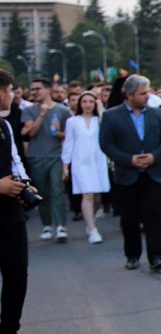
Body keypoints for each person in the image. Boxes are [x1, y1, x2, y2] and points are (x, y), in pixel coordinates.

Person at [99, 74, 161, 271]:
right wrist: (128, 159)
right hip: (127, 174)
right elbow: (106, 144)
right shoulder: (111, 116)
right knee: (129, 217)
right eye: (143, 93)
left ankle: (156, 255)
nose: (147, 96)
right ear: (129, 95)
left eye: (148, 92)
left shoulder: (158, 114)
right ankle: (132, 255)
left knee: (154, 215)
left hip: (154, 173)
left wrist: (154, 157)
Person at [0, 69, 34, 334]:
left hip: (10, 215)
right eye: (11, 90)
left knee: (16, 275)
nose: (12, 95)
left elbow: (14, 159)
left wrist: (25, 184)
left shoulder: (4, 126)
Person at [21, 77, 72, 242]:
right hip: (36, 156)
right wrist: (42, 115)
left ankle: (61, 226)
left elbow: (69, 136)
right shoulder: (29, 110)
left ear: (48, 89)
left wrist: (58, 133)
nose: (34, 92)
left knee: (57, 191)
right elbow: (30, 133)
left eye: (38, 89)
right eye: (32, 89)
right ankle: (47, 225)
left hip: (57, 156)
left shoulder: (63, 111)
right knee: (42, 193)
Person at [61, 91, 110, 244]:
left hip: (98, 161)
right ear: (80, 104)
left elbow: (108, 131)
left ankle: (91, 221)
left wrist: (101, 110)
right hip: (80, 162)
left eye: (91, 101)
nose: (88, 104)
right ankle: (93, 229)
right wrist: (65, 165)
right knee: (87, 195)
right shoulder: (72, 121)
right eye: (85, 101)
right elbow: (68, 144)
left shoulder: (100, 119)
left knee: (96, 198)